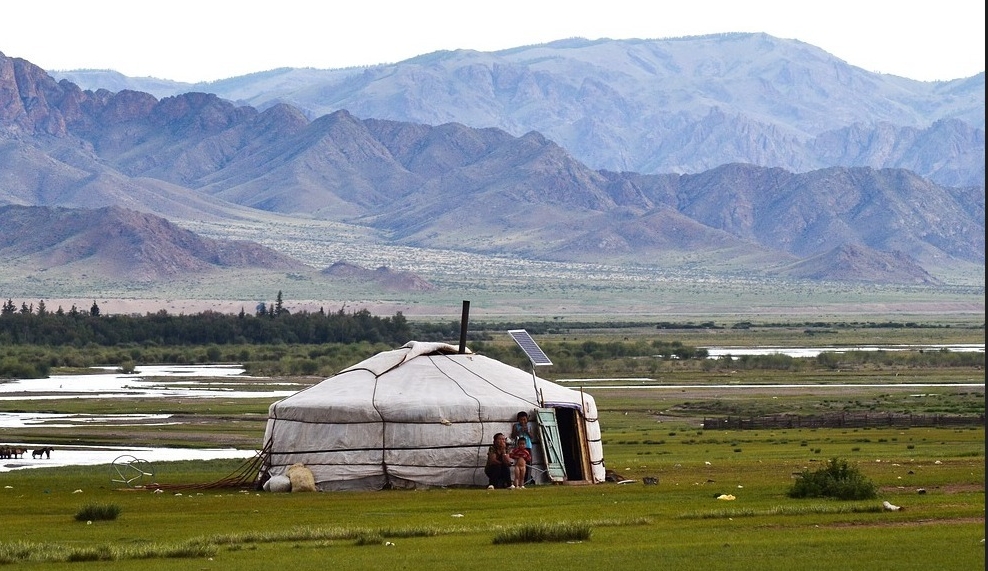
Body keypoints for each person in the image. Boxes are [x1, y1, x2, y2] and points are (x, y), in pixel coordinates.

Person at [511, 411, 535, 484]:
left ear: (527, 419)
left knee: (528, 463)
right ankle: (518, 480)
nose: (523, 421)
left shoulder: (529, 426)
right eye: (521, 419)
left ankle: (527, 480)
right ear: (518, 419)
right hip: (518, 447)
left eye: (524, 419)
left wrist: (527, 431)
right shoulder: (516, 426)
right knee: (519, 463)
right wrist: (519, 431)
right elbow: (513, 436)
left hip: (527, 446)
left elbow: (532, 437)